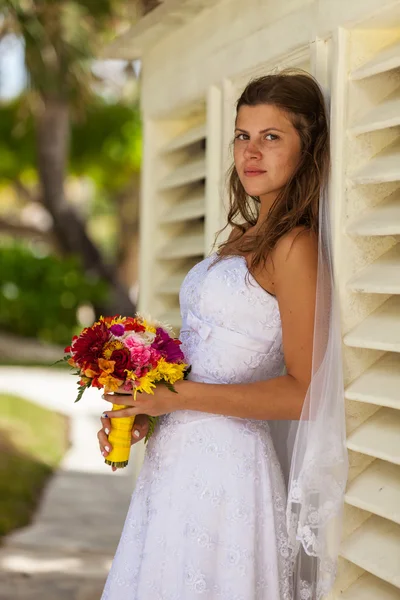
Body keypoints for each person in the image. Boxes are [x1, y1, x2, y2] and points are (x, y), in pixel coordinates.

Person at [98, 70, 348, 600]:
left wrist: (177, 396)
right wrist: (147, 407)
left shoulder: (295, 248)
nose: (251, 152)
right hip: (174, 465)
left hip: (229, 474)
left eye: (271, 137)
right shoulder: (240, 236)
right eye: (242, 135)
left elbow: (305, 392)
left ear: (308, 149)